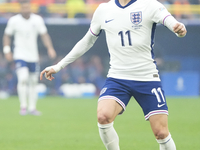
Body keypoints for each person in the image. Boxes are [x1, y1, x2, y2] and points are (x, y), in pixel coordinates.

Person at [40, 0, 187, 149]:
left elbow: (170, 21)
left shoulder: (149, 4)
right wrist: (59, 66)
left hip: (147, 78)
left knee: (161, 132)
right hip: (118, 78)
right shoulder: (104, 9)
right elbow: (86, 41)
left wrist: (178, 28)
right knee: (103, 116)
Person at [3, 1, 56, 116]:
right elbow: (7, 35)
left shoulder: (37, 20)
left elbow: (44, 35)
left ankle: (32, 107)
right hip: (19, 55)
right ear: (20, 8)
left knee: (33, 81)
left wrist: (50, 48)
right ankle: (23, 106)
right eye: (24, 8)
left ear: (31, 8)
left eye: (28, 7)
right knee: (23, 78)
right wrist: (7, 50)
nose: (26, 10)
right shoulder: (14, 21)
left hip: (33, 56)